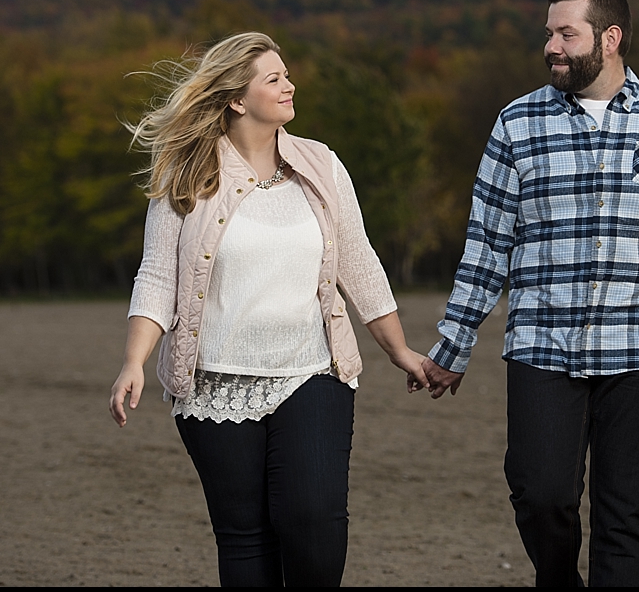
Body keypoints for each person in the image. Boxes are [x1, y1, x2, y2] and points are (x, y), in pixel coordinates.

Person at [421, 0, 639, 590]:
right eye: (548, 32)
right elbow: (487, 244)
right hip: (543, 346)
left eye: (565, 33)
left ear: (611, 37)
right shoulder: (516, 124)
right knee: (541, 495)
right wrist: (454, 345)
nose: (551, 45)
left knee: (624, 515)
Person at [109, 32, 429, 588]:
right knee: (245, 538)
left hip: (312, 370)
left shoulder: (322, 165)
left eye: (287, 74)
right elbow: (158, 274)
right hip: (214, 382)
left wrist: (397, 348)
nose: (290, 85)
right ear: (237, 98)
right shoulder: (187, 176)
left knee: (315, 521)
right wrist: (135, 359)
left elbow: (358, 262)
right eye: (274, 78)